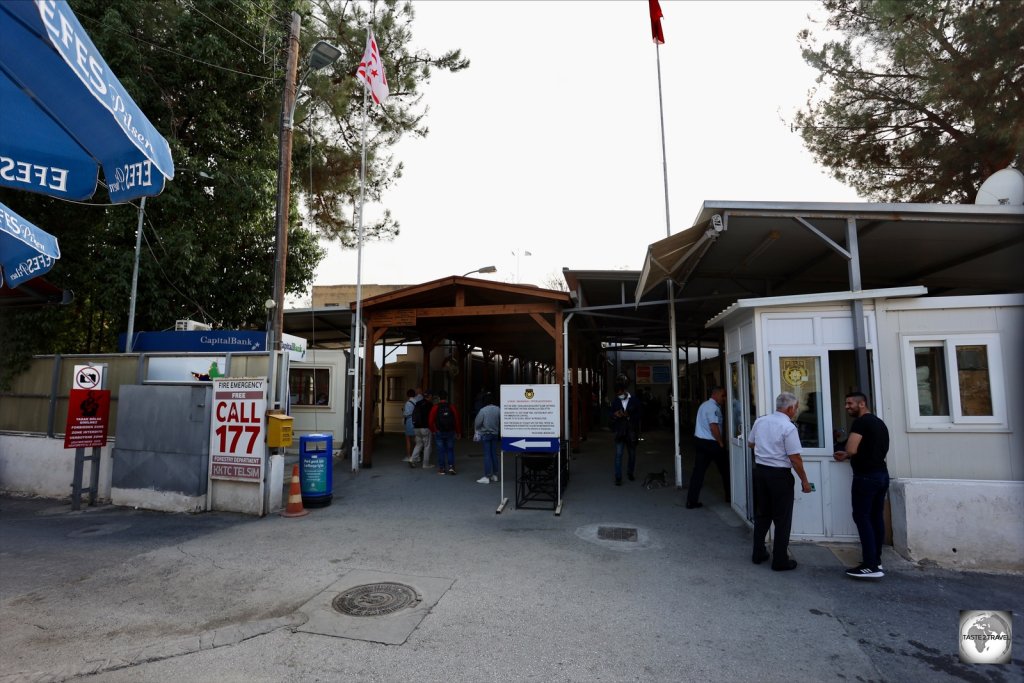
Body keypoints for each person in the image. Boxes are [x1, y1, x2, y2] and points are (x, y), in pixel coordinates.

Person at [748, 392, 812, 571]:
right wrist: (805, 481)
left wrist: (766, 447)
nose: (796, 411)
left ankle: (758, 552)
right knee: (782, 519)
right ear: (790, 408)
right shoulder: (788, 427)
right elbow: (795, 458)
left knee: (762, 515)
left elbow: (750, 443)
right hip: (779, 476)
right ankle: (780, 560)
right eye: (796, 408)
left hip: (761, 472)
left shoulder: (760, 421)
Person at [834, 392, 890, 580]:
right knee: (875, 517)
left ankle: (870, 565)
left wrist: (846, 452)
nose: (847, 407)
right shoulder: (879, 423)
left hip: (866, 477)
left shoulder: (861, 422)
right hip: (881, 474)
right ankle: (876, 559)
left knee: (862, 517)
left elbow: (851, 448)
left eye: (850, 403)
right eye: (846, 403)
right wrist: (850, 456)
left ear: (862, 403)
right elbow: (869, 448)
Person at [687, 386, 728, 509]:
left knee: (698, 473)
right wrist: (720, 442)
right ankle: (731, 497)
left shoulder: (704, 405)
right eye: (723, 396)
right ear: (716, 394)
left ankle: (691, 501)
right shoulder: (712, 408)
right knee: (726, 471)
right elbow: (713, 427)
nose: (724, 399)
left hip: (700, 442)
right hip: (711, 443)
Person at [610, 382, 642, 486]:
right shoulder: (615, 401)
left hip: (631, 431)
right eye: (617, 394)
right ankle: (618, 477)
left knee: (632, 454)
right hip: (620, 431)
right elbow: (611, 414)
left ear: (624, 391)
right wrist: (615, 414)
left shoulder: (634, 400)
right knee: (618, 455)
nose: (619, 395)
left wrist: (629, 416)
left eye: (620, 393)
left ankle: (630, 473)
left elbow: (640, 414)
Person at [429, 390, 461, 475]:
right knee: (450, 449)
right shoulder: (452, 407)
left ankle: (442, 469)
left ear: (439, 398)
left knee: (441, 450)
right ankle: (451, 467)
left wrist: (433, 431)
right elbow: (457, 420)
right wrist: (458, 432)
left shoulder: (435, 407)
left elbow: (430, 421)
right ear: (447, 397)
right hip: (450, 432)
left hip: (439, 431)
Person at [474, 393, 501, 484]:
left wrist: (478, 429)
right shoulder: (498, 409)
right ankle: (495, 475)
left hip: (486, 434)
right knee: (494, 454)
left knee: (487, 455)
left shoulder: (483, 410)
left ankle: (487, 476)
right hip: (495, 434)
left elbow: (477, 423)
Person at [409, 390, 434, 468]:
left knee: (418, 444)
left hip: (416, 427)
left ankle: (412, 459)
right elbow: (432, 417)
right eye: (431, 396)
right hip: (425, 427)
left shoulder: (418, 403)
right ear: (429, 396)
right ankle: (426, 464)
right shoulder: (430, 405)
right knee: (427, 446)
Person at [401, 388, 419, 462]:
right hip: (416, 421)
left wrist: (403, 412)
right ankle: (416, 456)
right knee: (416, 440)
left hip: (409, 421)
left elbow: (406, 414)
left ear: (407, 395)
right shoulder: (417, 401)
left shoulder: (408, 403)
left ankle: (409, 456)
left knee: (408, 440)